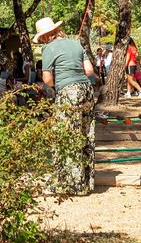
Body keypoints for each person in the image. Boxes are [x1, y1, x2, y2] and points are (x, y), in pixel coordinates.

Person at [36, 16, 98, 196]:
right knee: (85, 134)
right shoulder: (76, 44)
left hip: (68, 92)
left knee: (66, 136)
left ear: (45, 36)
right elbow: (89, 71)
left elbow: (47, 79)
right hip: (86, 90)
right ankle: (86, 182)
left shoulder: (48, 48)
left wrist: (60, 85)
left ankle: (70, 184)